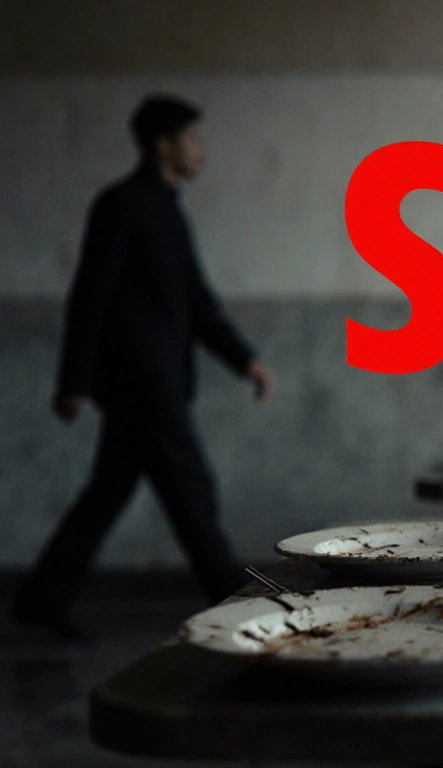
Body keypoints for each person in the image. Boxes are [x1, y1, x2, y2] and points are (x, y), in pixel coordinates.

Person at [9, 94, 274, 640]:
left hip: (155, 384)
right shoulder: (123, 204)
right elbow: (91, 294)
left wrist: (243, 358)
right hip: (141, 384)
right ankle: (235, 601)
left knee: (106, 493)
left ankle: (42, 597)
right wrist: (73, 381)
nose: (201, 150)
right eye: (192, 139)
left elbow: (195, 301)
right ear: (163, 145)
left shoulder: (167, 208)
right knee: (192, 490)